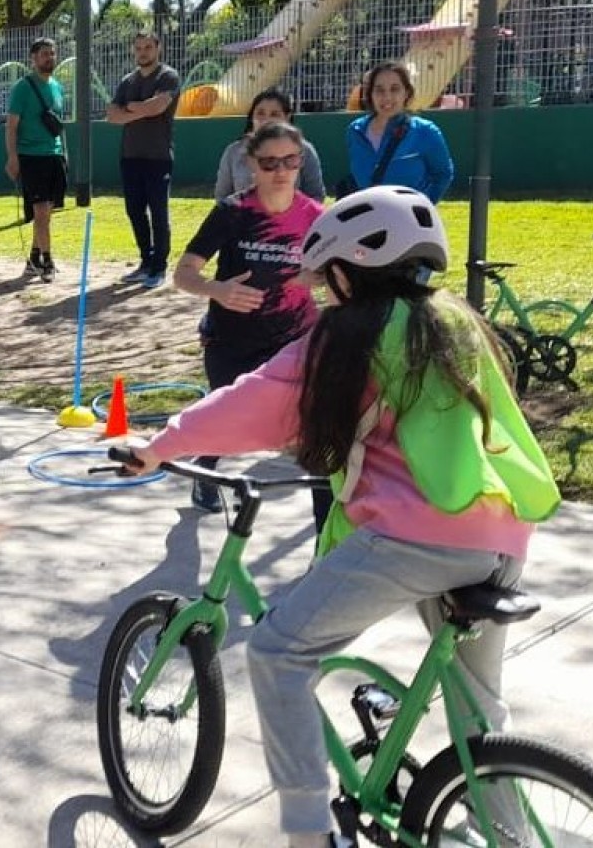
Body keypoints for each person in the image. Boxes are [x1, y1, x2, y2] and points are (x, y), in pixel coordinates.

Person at [121, 186, 560, 848]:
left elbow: (257, 400)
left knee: (275, 653)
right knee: (478, 704)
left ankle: (306, 833)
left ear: (350, 271)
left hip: (416, 537)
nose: (324, 292)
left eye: (326, 279)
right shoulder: (455, 320)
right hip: (500, 532)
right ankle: (504, 835)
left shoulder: (352, 333)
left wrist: (157, 446)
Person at [175, 121, 329, 517]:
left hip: (294, 340)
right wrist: (218, 290)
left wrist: (317, 277)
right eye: (269, 163)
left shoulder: (317, 216)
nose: (280, 172)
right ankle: (205, 470)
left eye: (290, 162)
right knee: (223, 424)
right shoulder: (233, 212)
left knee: (317, 434)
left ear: (301, 162)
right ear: (251, 165)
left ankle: (323, 546)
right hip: (232, 341)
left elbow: (343, 276)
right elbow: (184, 273)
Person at [107, 32, 182, 289]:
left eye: (148, 47)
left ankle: (159, 267)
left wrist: (131, 108)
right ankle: (145, 261)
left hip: (158, 157)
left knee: (158, 212)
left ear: (158, 48)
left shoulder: (168, 76)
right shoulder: (128, 81)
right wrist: (141, 109)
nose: (143, 52)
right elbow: (112, 115)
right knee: (134, 211)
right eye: (138, 48)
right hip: (130, 157)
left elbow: (157, 107)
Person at [343, 61, 454, 203]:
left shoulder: (425, 131)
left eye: (395, 89)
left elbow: (443, 174)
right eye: (379, 90)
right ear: (370, 94)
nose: (387, 97)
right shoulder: (355, 131)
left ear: (406, 93)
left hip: (410, 220)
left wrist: (423, 207)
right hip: (367, 219)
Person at [4, 37, 66, 282]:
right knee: (40, 211)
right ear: (33, 58)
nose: (49, 58)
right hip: (31, 157)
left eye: (52, 53)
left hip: (55, 155)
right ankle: (47, 261)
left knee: (46, 213)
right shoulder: (23, 87)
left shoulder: (58, 86)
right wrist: (12, 157)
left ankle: (33, 257)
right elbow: (11, 126)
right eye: (43, 54)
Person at [213, 89, 325, 202]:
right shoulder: (234, 152)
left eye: (274, 114)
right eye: (260, 113)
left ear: (287, 117)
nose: (266, 120)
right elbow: (222, 197)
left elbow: (316, 196)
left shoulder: (304, 150)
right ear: (252, 117)